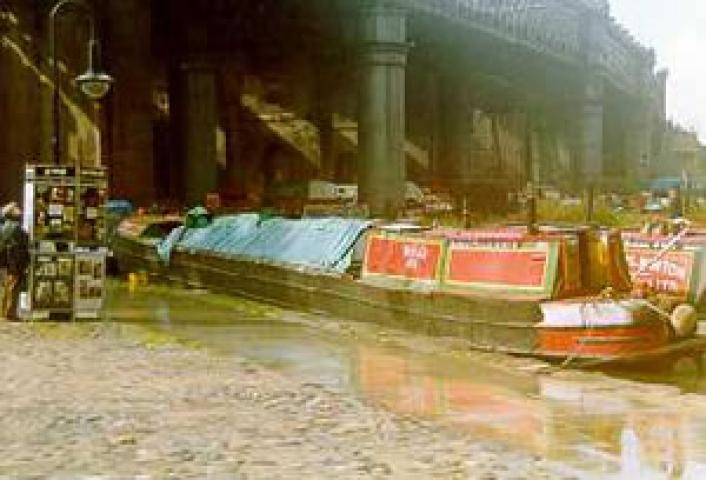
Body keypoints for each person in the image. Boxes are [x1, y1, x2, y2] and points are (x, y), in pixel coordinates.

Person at [0, 203, 29, 321]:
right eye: (16, 209)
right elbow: (22, 242)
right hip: (16, 259)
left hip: (9, 259)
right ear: (12, 213)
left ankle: (4, 310)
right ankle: (10, 312)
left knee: (8, 285)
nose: (19, 210)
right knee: (13, 286)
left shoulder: (4, 225)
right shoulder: (15, 227)